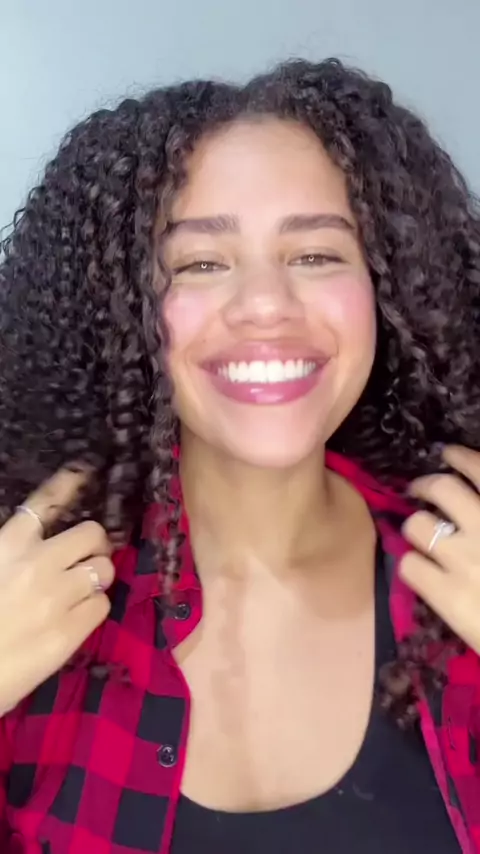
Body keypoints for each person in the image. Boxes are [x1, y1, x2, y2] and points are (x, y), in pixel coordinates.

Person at [0, 57, 479, 854]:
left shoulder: (465, 575)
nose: (265, 305)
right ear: (122, 308)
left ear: (388, 285)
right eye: (200, 264)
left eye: (316, 254)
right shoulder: (18, 593)